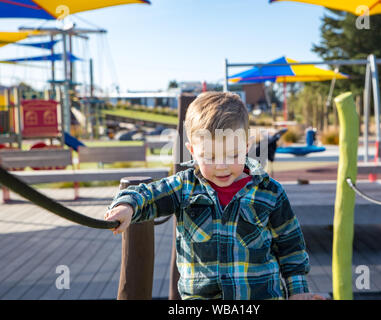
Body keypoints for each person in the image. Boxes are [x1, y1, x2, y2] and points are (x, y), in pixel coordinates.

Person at [105, 91, 324, 300]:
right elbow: (149, 194)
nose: (221, 166)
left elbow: (290, 246)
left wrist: (298, 290)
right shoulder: (185, 187)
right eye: (209, 157)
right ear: (192, 151)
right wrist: (127, 205)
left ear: (247, 146)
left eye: (232, 155)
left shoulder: (269, 192)